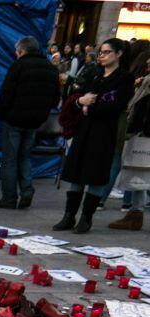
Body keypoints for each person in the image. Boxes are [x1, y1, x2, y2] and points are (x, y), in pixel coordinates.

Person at [56, 39, 134, 233]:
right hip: (84, 130)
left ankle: (86, 217)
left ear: (119, 54)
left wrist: (89, 108)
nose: (102, 55)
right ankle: (68, 216)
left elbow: (115, 104)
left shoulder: (124, 78)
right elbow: (78, 95)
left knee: (95, 174)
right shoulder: (94, 74)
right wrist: (80, 102)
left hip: (104, 132)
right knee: (77, 172)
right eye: (101, 52)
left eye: (107, 52)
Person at [0, 36, 61, 210]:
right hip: (35, 120)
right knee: (25, 156)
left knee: (10, 159)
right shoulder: (50, 69)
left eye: (17, 51)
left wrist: (1, 114)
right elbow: (55, 98)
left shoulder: (18, 66)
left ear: (22, 51)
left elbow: (6, 93)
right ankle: (27, 190)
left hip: (14, 118)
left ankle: (9, 197)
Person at [110, 52, 150, 230]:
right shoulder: (146, 81)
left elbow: (142, 107)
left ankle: (136, 213)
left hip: (145, 132)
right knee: (140, 172)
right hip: (143, 131)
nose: (148, 63)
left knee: (140, 172)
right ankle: (135, 212)